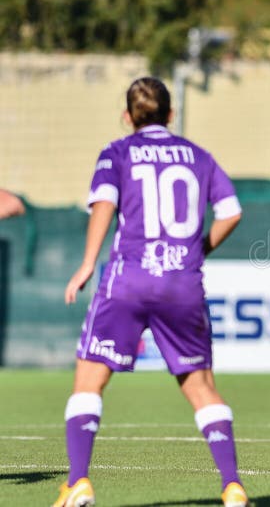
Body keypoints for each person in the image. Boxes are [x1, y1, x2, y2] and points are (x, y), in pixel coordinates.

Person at [54, 77, 250, 507]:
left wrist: (88, 262)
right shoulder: (198, 155)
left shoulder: (117, 151)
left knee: (89, 379)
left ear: (127, 117)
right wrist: (198, 249)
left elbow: (104, 203)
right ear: (171, 114)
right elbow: (231, 211)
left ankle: (78, 482)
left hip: (129, 277)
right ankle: (233, 485)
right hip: (182, 281)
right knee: (200, 386)